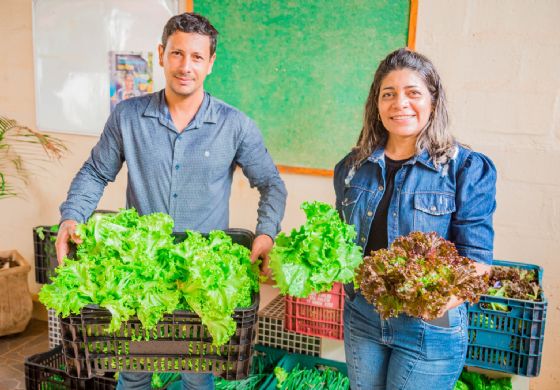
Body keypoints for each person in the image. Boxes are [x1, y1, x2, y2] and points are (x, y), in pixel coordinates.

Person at [55, 12, 287, 390]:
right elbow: (96, 173)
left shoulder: (235, 125)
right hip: (140, 272)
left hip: (201, 280)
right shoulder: (127, 116)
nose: (185, 66)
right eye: (177, 54)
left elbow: (271, 184)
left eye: (197, 57)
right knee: (132, 372)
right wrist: (71, 216)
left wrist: (266, 233)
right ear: (162, 54)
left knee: (198, 376)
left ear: (211, 63)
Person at [334, 48, 496, 390]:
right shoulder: (352, 167)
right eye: (388, 94)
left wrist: (434, 301)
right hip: (363, 318)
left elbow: (478, 264)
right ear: (376, 105)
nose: (399, 104)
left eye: (413, 93)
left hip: (429, 327)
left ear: (433, 102)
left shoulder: (464, 168)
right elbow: (341, 247)